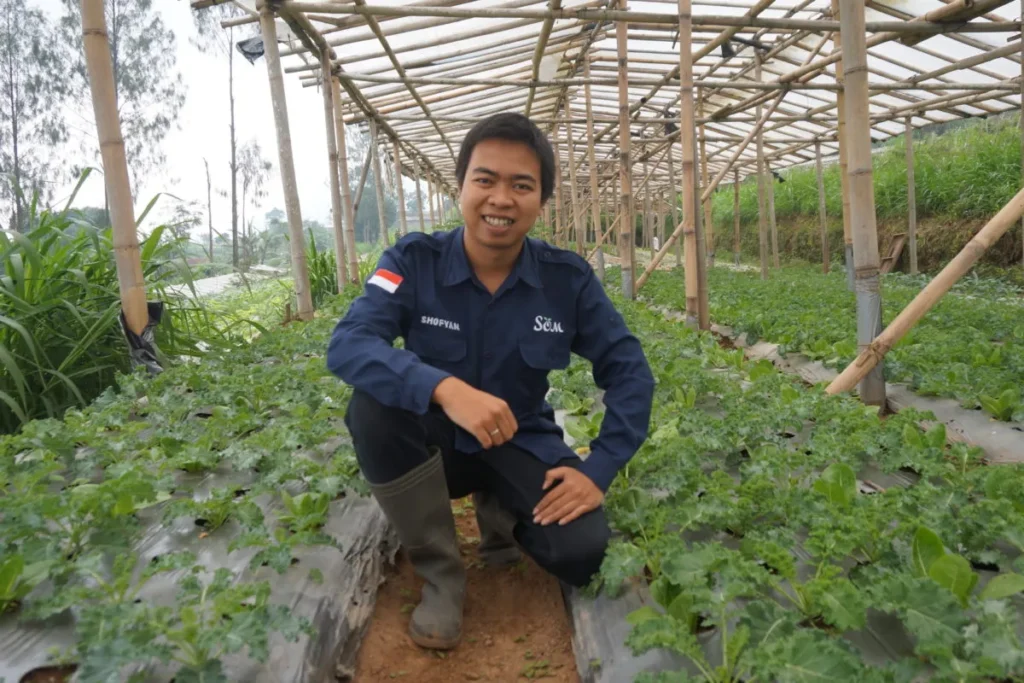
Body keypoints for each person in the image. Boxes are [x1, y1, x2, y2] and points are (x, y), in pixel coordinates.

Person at [326, 112, 655, 651]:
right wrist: (444, 389)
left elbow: (629, 370)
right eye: (486, 180)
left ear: (540, 200)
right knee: (373, 409)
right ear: (461, 189)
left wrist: (599, 469)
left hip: (518, 437)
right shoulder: (412, 261)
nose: (501, 198)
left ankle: (502, 512)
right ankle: (441, 574)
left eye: (521, 185)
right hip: (438, 448)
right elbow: (348, 344)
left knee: (579, 551)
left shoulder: (565, 279)